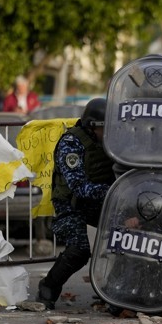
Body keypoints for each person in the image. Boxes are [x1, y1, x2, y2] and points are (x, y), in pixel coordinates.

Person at [36, 98, 116, 309]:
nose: (108, 132)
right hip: (70, 203)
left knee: (125, 237)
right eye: (104, 128)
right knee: (79, 250)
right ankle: (48, 287)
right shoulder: (70, 143)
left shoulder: (112, 142)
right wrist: (116, 193)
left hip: (98, 200)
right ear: (91, 126)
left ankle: (115, 291)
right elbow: (78, 187)